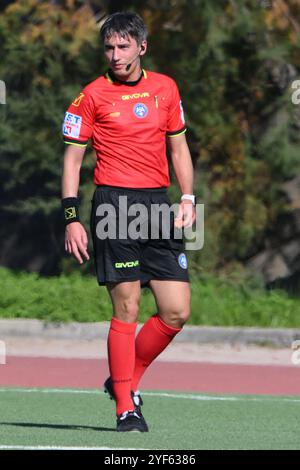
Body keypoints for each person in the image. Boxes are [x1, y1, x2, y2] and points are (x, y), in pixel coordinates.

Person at [61, 11, 196, 432]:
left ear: (142, 47)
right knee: (128, 307)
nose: (115, 55)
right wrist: (71, 217)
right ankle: (126, 407)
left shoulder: (166, 89)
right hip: (112, 207)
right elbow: (72, 160)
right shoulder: (91, 96)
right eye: (109, 47)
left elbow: (179, 150)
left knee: (176, 311)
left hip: (157, 207)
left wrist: (188, 197)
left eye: (123, 46)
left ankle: (124, 380)